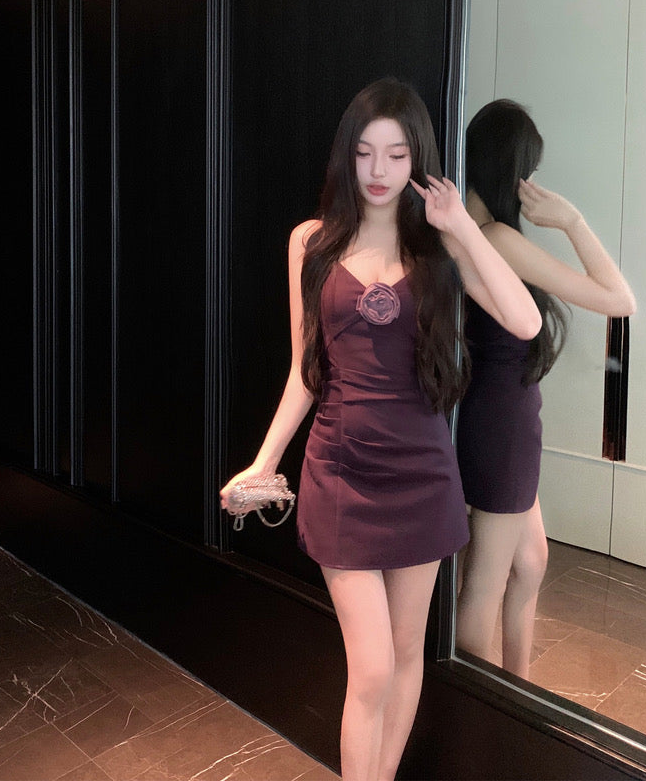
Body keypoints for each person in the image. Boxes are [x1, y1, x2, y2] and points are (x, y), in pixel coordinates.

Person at [220, 78, 541, 781]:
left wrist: (462, 227)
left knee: (404, 655)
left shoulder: (439, 252)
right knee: (369, 669)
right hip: (340, 471)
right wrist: (264, 461)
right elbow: (305, 370)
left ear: (417, 160)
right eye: (365, 152)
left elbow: (524, 321)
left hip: (423, 476)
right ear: (347, 154)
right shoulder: (310, 243)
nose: (378, 170)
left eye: (396, 155)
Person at [455, 99, 636, 680]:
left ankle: (517, 688)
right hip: (501, 425)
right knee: (483, 588)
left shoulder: (475, 234)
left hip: (502, 418)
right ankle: (484, 710)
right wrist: (572, 221)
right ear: (510, 170)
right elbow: (619, 300)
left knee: (530, 561)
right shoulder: (495, 238)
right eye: (528, 171)